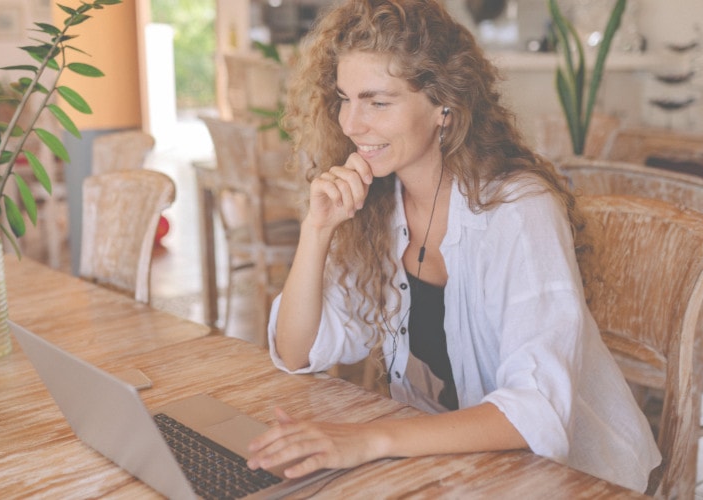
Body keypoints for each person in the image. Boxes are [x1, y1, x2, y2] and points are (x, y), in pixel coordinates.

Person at [244, 0, 662, 493]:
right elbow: (296, 353)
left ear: (444, 104)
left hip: (571, 475)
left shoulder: (518, 210)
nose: (352, 124)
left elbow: (535, 411)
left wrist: (371, 440)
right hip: (449, 463)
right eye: (344, 98)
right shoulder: (379, 202)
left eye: (378, 102)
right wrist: (317, 231)